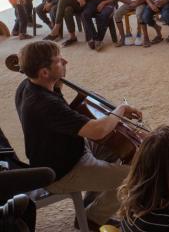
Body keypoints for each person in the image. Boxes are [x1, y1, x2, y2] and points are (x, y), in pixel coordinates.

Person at [15, 41, 142, 230]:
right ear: (43, 72)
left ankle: (90, 201)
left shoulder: (27, 85)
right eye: (59, 60)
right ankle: (93, 218)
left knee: (118, 144)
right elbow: (98, 130)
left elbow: (68, 120)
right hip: (64, 171)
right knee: (138, 178)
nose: (65, 61)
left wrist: (56, 78)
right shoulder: (45, 104)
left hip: (67, 149)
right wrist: (121, 109)